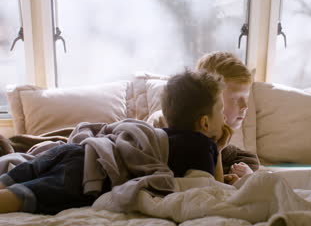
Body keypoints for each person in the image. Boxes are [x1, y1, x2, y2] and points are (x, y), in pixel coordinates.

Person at [0, 70, 231, 214]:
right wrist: (217, 151)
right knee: (22, 197)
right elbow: (212, 189)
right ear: (204, 123)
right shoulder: (203, 147)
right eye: (221, 110)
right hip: (91, 174)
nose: (225, 117)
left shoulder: (159, 137)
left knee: (15, 179)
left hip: (77, 150)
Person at [195, 51, 258, 183]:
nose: (244, 106)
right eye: (235, 98)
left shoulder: (228, 148)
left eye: (246, 98)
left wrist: (246, 174)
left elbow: (249, 160)